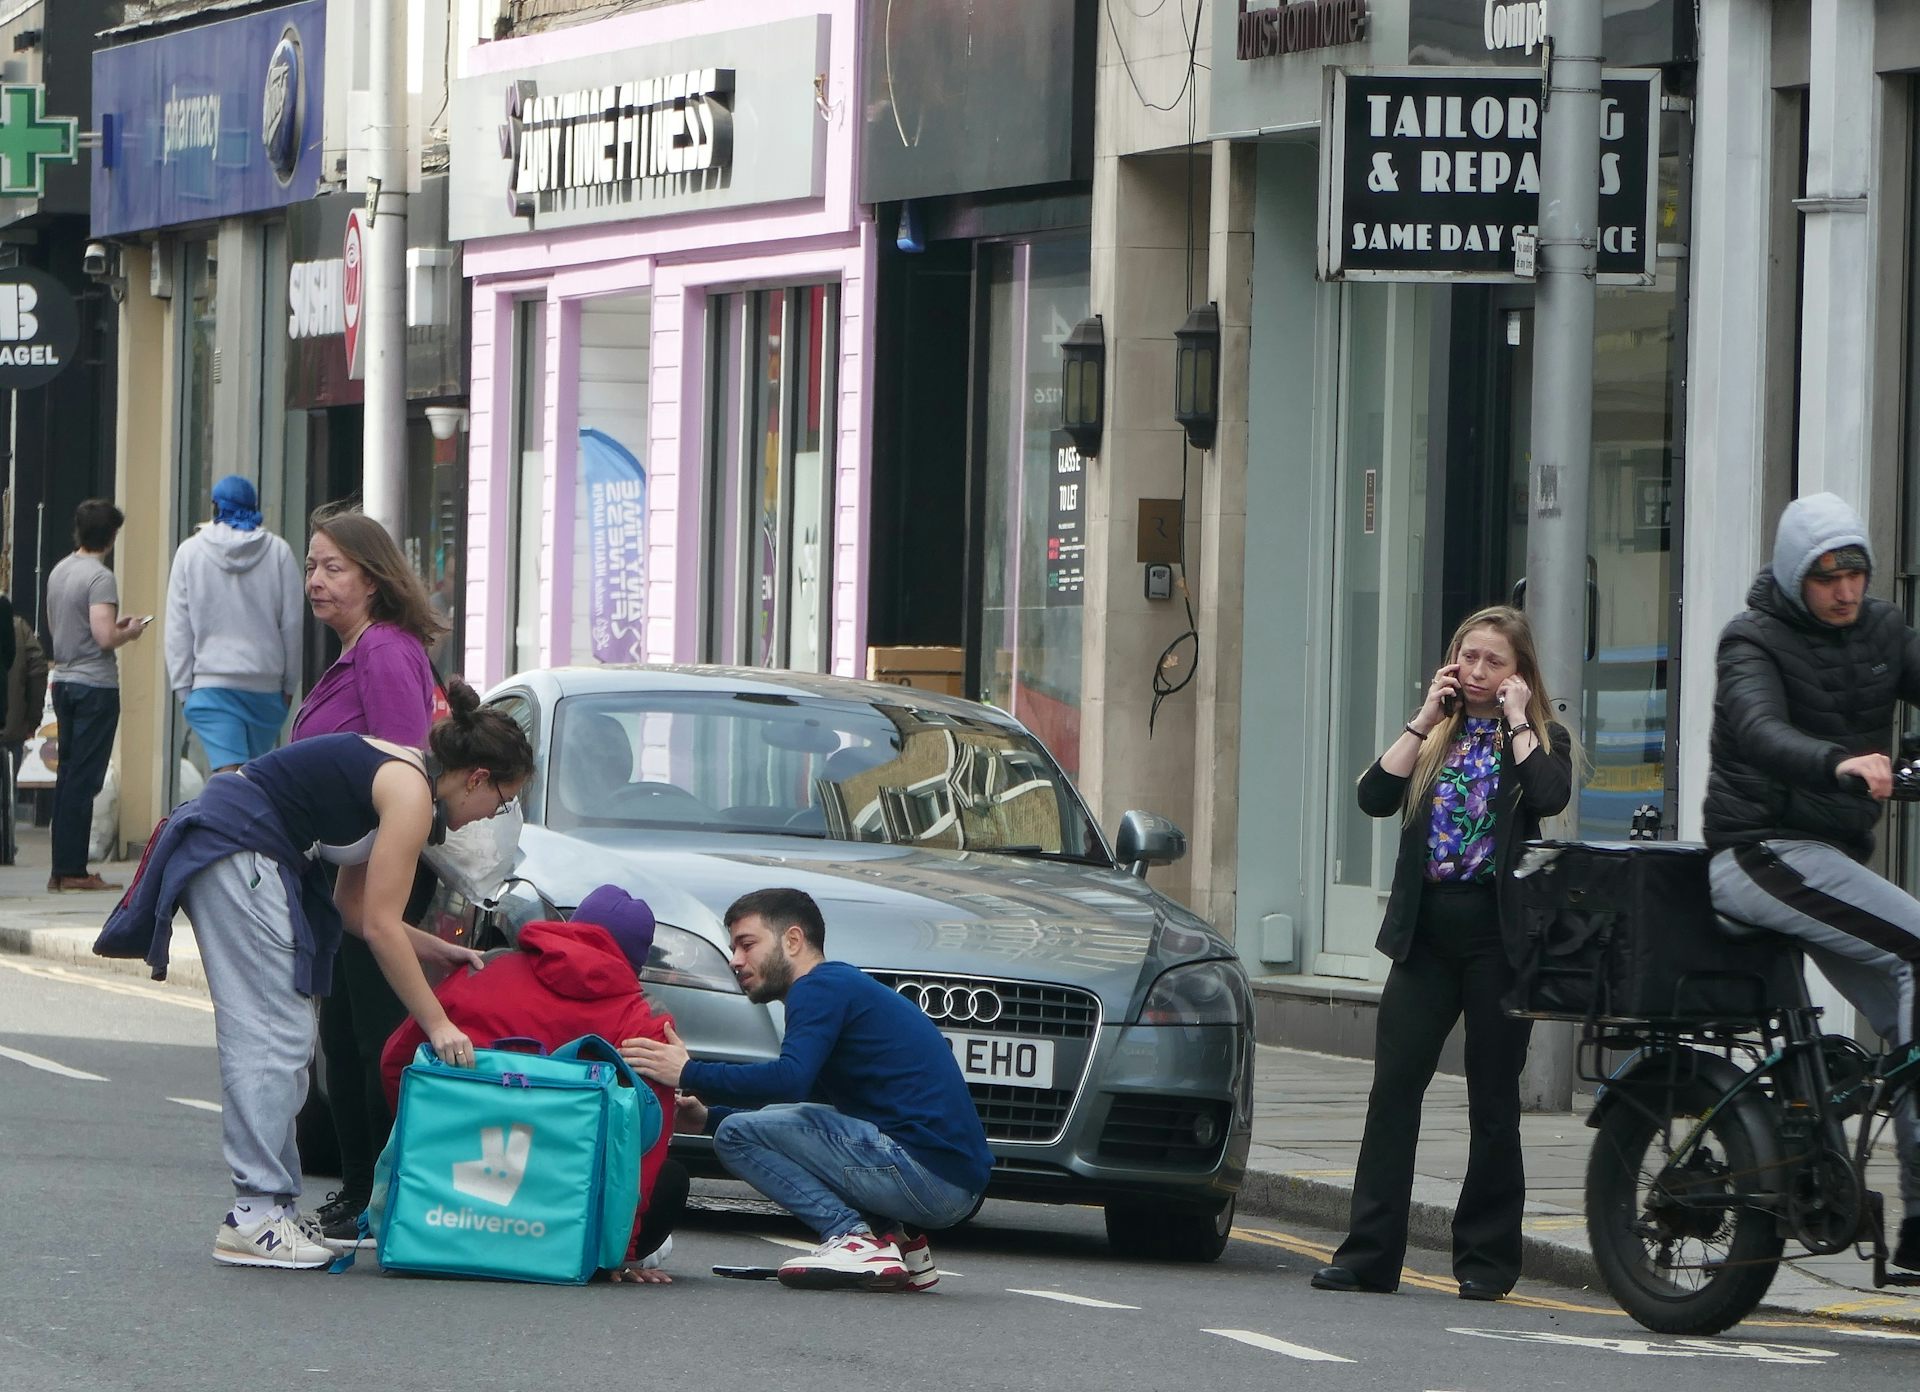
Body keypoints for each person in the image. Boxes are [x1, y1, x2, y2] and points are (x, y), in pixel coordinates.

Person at [95, 679, 533, 1270]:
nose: (493, 816)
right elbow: (379, 925)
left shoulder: (406, 779)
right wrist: (438, 1023)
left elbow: (357, 911)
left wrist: (436, 950)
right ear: (478, 777)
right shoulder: (409, 795)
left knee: (286, 1036)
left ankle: (268, 1210)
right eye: (502, 801)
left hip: (239, 845)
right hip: (240, 848)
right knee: (271, 1035)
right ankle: (254, 1213)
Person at [1311, 605, 1573, 1302]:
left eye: (1495, 662)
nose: (1479, 672)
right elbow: (1373, 796)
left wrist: (1518, 721)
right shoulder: (1435, 736)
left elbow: (1550, 795)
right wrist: (1424, 717)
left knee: (1493, 1103)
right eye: (1469, 657)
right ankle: (1368, 1256)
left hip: (1497, 940)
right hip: (1425, 937)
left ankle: (1486, 1263)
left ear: (1520, 674)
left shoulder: (1542, 739)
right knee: (1394, 1093)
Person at [1704, 492, 1920, 1271]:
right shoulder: (1750, 641)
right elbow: (1759, 729)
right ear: (1797, 576)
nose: (1846, 591)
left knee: (1908, 1011)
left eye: (1855, 572)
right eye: (1828, 577)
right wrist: (1840, 762)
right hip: (1758, 853)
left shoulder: (1885, 630)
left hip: (1826, 862)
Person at [624, 887, 993, 1292]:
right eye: (733, 948)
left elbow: (789, 1080)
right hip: (949, 1180)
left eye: (747, 944)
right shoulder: (840, 988)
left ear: (793, 940)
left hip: (927, 1173)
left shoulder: (817, 987)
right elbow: (799, 1108)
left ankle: (853, 1238)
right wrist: (709, 1115)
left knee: (736, 1137)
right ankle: (900, 1246)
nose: (735, 960)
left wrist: (689, 1071)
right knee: (757, 1124)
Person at [380, 885, 684, 1283]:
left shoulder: (482, 970)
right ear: (636, 963)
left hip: (447, 1207)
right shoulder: (644, 1020)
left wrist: (418, 1155)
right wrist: (620, 1254)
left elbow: (396, 1063)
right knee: (673, 1177)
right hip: (564, 1228)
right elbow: (643, 1147)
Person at [290, 505, 446, 1247]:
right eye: (312, 565)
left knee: (371, 1042)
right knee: (342, 1036)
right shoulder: (355, 651)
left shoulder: (385, 650)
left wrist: (367, 890)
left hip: (376, 870)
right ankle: (358, 1190)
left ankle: (385, 1192)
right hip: (345, 870)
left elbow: (400, 769)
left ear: (374, 578)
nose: (316, 580)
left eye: (333, 568)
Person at [164, 475, 303, 773]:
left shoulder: (189, 553)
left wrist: (183, 689)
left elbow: (178, 626)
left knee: (228, 780)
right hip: (266, 686)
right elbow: (291, 624)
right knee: (253, 779)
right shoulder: (279, 552)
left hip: (210, 685)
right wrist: (289, 684)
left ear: (215, 506)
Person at [46, 499, 147, 892]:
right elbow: (105, 636)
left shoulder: (60, 570)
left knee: (68, 775)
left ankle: (61, 867)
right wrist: (131, 630)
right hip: (95, 687)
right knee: (85, 780)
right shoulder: (99, 577)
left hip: (66, 681)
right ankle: (73, 870)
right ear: (111, 536)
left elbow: (64, 625)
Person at [2, 603, 47, 866]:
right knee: (7, 783)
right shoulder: (17, 627)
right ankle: (5, 842)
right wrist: (32, 717)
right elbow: (38, 668)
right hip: (10, 722)